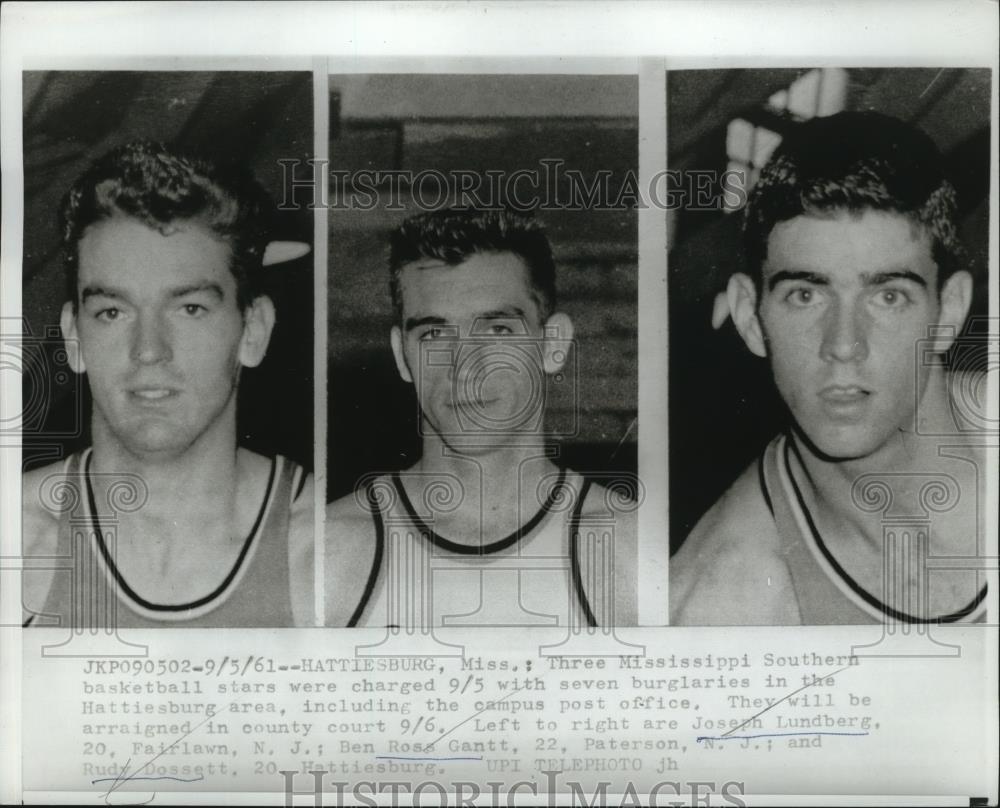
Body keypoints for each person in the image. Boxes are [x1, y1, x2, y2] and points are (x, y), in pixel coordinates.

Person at [670, 111, 988, 625]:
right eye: (805, 295)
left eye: (888, 296)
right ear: (751, 316)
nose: (844, 345)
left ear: (948, 310)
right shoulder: (721, 602)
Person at [21, 141, 314, 628]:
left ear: (253, 330)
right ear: (74, 337)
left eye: (189, 308)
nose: (149, 349)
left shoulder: (336, 545)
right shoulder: (14, 543)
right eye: (112, 312)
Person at [326, 208, 637, 628]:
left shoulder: (633, 547)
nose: (466, 367)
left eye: (497, 331)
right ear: (403, 355)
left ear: (552, 344)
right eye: (434, 334)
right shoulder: (329, 549)